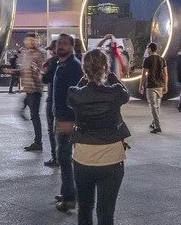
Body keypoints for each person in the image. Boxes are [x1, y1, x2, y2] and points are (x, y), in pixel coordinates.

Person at [69, 48, 132, 225]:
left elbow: (79, 91)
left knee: (85, 209)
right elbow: (125, 93)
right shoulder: (115, 93)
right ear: (106, 68)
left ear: (84, 69)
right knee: (106, 213)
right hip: (112, 159)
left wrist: (87, 77)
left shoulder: (74, 94)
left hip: (83, 158)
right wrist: (110, 75)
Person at [51, 34, 85, 213]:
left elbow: (74, 95)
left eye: (65, 44)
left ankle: (70, 198)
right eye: (59, 44)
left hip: (67, 119)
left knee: (64, 157)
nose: (61, 46)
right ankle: (68, 191)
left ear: (72, 46)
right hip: (62, 117)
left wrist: (69, 120)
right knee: (64, 156)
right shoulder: (62, 63)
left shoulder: (72, 66)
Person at [18, 33, 47, 152]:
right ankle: (37, 141)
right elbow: (24, 70)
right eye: (27, 40)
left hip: (35, 89)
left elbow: (42, 71)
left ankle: (38, 142)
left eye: (31, 40)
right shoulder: (25, 53)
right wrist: (14, 71)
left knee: (35, 116)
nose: (29, 42)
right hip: (28, 89)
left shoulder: (39, 54)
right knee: (24, 110)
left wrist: (37, 69)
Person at [43, 38, 63, 166]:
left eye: (51, 49)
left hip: (53, 100)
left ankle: (56, 157)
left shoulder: (51, 62)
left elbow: (45, 80)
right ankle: (66, 155)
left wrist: (42, 72)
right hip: (66, 101)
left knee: (52, 130)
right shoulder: (71, 61)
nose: (50, 52)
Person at [141, 40, 168, 134]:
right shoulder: (162, 59)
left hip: (151, 86)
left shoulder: (147, 60)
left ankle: (157, 126)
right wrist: (166, 86)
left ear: (149, 49)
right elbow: (165, 74)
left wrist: (141, 85)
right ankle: (154, 123)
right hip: (160, 85)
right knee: (157, 106)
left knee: (153, 106)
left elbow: (144, 74)